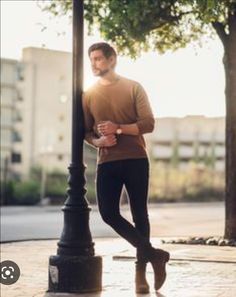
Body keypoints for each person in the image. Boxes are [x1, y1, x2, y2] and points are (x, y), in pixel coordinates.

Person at [82, 42, 169, 293]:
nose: (94, 64)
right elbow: (87, 131)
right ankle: (155, 255)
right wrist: (98, 141)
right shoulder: (88, 94)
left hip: (135, 159)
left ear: (112, 60)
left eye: (98, 59)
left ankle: (140, 276)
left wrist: (117, 128)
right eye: (92, 59)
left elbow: (148, 123)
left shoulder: (133, 87)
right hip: (107, 161)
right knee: (109, 213)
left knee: (140, 214)